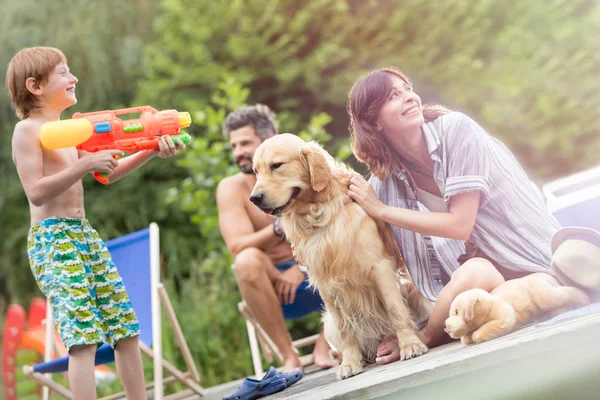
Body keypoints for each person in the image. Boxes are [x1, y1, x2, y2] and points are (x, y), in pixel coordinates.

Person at [346, 67, 562, 364]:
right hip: (484, 271)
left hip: (527, 254)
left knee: (474, 282)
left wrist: (382, 211)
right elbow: (357, 230)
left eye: (407, 88)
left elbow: (461, 225)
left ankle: (426, 337)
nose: (409, 97)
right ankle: (472, 315)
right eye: (393, 96)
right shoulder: (384, 184)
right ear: (373, 122)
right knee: (473, 282)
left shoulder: (456, 130)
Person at [8, 46, 186, 400]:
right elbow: (36, 193)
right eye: (64, 72)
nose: (74, 78)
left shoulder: (71, 131)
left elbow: (111, 172)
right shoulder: (27, 132)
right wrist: (84, 165)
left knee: (126, 330)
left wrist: (150, 149)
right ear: (35, 85)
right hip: (53, 239)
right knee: (83, 337)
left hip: (84, 234)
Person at [216, 104, 337, 371]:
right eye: (234, 146)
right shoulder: (231, 188)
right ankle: (288, 356)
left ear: (269, 139)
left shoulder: (300, 171)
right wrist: (279, 228)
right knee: (246, 261)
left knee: (343, 242)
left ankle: (328, 341)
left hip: (324, 274)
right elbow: (237, 246)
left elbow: (335, 228)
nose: (239, 153)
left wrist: (301, 266)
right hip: (275, 289)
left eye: (245, 143)